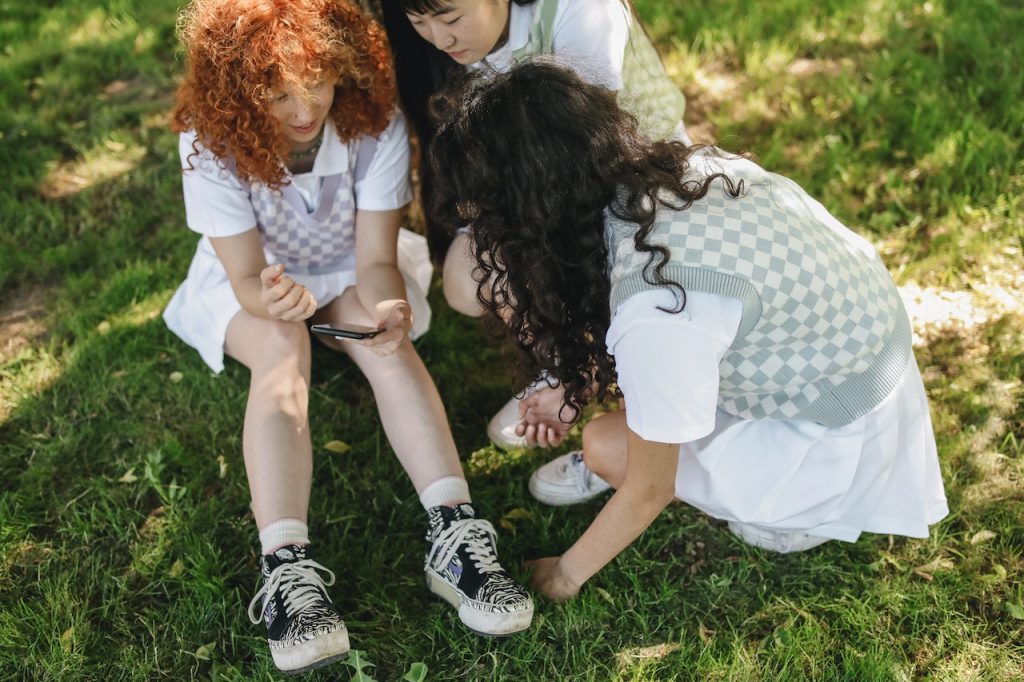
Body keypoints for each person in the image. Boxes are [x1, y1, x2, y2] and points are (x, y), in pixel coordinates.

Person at [427, 61, 949, 602]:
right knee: (632, 424)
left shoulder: (658, 306)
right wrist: (572, 383)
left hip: (826, 439)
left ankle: (786, 517)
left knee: (608, 447)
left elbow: (652, 488)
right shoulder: (684, 174)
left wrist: (563, 574)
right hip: (864, 364)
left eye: (489, 215)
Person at [163, 0, 533, 673]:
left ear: (342, 67)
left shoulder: (373, 124)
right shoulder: (208, 143)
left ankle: (456, 535)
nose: (304, 112)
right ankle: (287, 573)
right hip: (256, 281)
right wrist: (270, 298)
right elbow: (245, 275)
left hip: (345, 267)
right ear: (238, 96)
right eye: (277, 96)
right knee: (282, 347)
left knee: (379, 335)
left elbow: (374, 261)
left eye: (319, 84)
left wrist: (389, 307)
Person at [379, 0, 690, 449]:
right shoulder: (462, 48)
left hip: (634, 192)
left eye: (449, 18)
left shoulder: (583, 11)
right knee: (467, 277)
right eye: (418, 22)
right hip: (538, 197)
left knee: (626, 290)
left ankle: (632, 412)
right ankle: (563, 367)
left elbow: (588, 161)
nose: (440, 39)